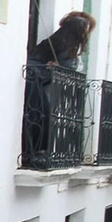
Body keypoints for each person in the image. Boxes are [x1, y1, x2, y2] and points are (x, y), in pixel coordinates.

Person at [23, 11, 95, 169]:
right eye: (85, 30)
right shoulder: (64, 44)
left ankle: (32, 155)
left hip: (34, 81)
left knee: (38, 117)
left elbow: (64, 66)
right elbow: (69, 67)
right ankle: (33, 156)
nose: (86, 35)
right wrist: (62, 66)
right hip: (33, 82)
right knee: (40, 117)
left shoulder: (58, 40)